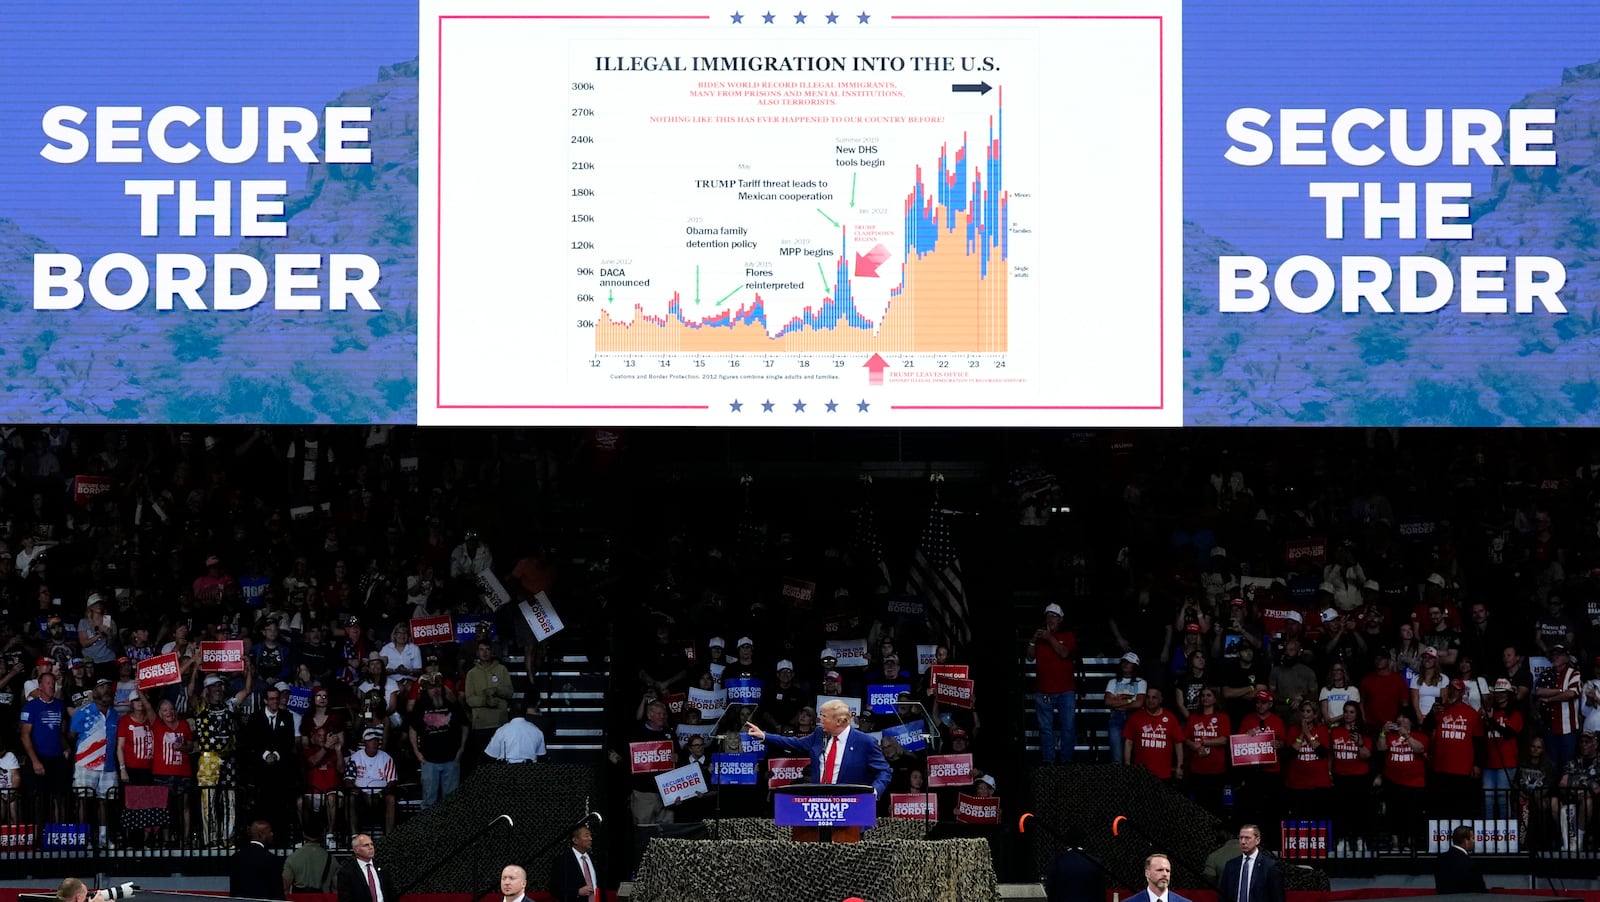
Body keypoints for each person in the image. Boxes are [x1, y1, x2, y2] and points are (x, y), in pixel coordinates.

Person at [745, 698, 892, 796]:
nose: (820, 721)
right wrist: (764, 735)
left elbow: (884, 771)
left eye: (825, 717)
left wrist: (874, 792)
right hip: (819, 803)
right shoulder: (819, 734)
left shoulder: (865, 742)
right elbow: (793, 743)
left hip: (851, 806)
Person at [1033, 602, 1079, 764]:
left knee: (1068, 727)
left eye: (1054, 616)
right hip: (1043, 691)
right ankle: (1048, 761)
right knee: (1046, 729)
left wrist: (1049, 637)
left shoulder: (1068, 636)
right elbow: (1029, 655)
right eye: (1048, 616)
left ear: (1060, 619)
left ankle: (1066, 760)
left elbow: (1064, 653)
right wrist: (1033, 639)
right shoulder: (1040, 637)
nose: (1050, 619)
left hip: (1065, 691)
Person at [1219, 824, 1285, 902]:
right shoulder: (1231, 865)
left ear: (1257, 840)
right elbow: (1223, 896)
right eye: (1241, 838)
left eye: (1247, 838)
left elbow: (1278, 897)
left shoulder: (1269, 866)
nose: (1243, 842)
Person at [229, 820, 284, 899]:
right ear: (261, 834)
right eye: (270, 831)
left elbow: (234, 890)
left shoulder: (236, 857)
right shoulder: (271, 859)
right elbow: (277, 892)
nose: (272, 834)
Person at [282, 814, 336, 894]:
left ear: (303, 834)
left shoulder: (292, 858)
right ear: (322, 834)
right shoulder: (332, 860)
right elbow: (336, 888)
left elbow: (285, 888)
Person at [337, 834, 395, 902]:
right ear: (356, 850)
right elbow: (345, 899)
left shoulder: (382, 868)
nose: (371, 847)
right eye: (366, 845)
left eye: (372, 844)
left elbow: (391, 893)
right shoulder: (347, 872)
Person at [550, 825, 601, 902]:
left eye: (590, 836)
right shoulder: (563, 861)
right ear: (575, 840)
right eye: (586, 836)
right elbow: (555, 889)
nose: (590, 838)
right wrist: (577, 892)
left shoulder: (594, 859)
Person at [1433, 824, 1487, 894]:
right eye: (1473, 838)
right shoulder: (1470, 863)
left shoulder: (1440, 858)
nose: (1474, 841)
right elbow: (1480, 890)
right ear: (1465, 841)